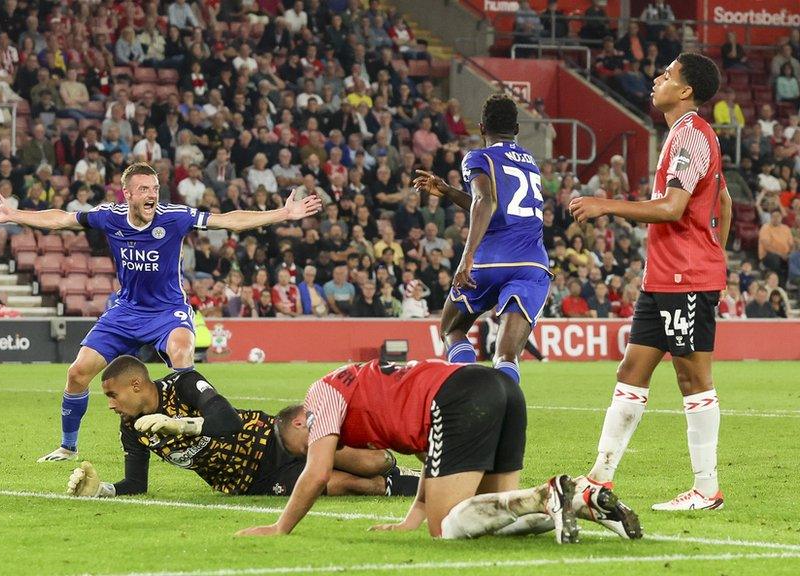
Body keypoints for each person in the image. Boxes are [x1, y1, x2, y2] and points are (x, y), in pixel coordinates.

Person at [0, 163, 322, 462]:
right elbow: (63, 220)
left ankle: (193, 430)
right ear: (126, 193)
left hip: (167, 311)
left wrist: (282, 214)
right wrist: (13, 215)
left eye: (155, 188)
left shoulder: (175, 217)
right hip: (125, 311)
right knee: (77, 373)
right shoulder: (109, 217)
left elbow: (227, 222)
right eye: (144, 189)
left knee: (182, 352)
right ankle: (68, 447)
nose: (152, 195)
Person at [570, 53, 732, 511]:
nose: (656, 79)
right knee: (631, 371)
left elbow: (671, 208)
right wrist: (715, 248)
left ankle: (706, 489)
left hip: (685, 278)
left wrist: (607, 204)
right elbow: (724, 199)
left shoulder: (692, 136)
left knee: (693, 378)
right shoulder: (681, 136)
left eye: (667, 75)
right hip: (664, 277)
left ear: (685, 91)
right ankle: (599, 480)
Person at [237, 360, 640, 541]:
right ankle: (580, 500)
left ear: (299, 420)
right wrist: (411, 518)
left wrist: (280, 527)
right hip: (496, 388)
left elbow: (318, 473)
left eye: (306, 444)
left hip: (460, 398)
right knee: (496, 515)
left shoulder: (320, 395)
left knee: (445, 527)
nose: (317, 448)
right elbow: (432, 457)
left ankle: (548, 494)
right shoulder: (367, 396)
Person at [64, 356, 420, 498]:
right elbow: (137, 484)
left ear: (137, 386)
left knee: (369, 461)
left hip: (272, 437)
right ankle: (410, 486)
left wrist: (179, 426)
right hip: (249, 482)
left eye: (112, 394)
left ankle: (395, 465)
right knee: (344, 483)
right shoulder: (134, 428)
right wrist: (104, 490)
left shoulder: (183, 384)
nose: (110, 404)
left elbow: (227, 421)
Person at [412, 94, 550, 385]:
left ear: (481, 128)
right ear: (516, 128)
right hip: (531, 264)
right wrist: (449, 192)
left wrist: (467, 256)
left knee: (451, 328)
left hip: (490, 261)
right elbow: (493, 204)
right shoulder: (531, 163)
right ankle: (504, 411)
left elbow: (485, 201)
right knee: (506, 356)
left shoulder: (478, 157)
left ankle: (470, 389)